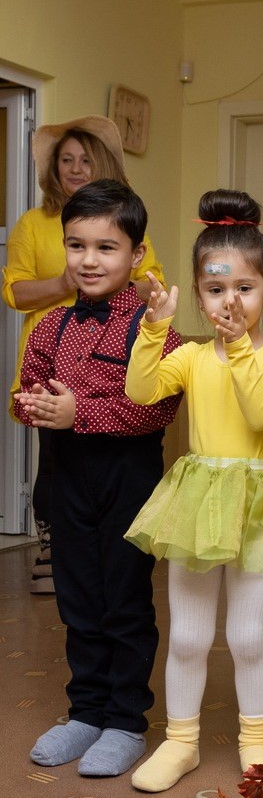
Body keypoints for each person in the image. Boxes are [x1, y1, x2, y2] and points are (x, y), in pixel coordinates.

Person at [124, 191, 263, 791]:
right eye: (216, 288)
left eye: (244, 287)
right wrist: (153, 329)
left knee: (248, 636)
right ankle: (181, 741)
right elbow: (141, 391)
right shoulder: (192, 356)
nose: (230, 301)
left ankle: (256, 740)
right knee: (190, 634)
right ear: (199, 295)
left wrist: (242, 347)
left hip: (258, 503)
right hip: (198, 502)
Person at [14, 179, 180, 776]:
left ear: (137, 255)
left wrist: (78, 411)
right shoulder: (49, 326)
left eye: (106, 247)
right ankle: (85, 712)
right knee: (77, 597)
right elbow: (25, 392)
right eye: (76, 245)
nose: (88, 259)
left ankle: (125, 721)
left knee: (124, 601)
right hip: (65, 477)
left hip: (128, 478)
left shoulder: (155, 327)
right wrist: (33, 405)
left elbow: (157, 407)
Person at [2, 116, 163, 595]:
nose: (75, 168)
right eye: (66, 160)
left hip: (119, 357)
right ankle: (56, 548)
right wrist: (63, 284)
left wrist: (115, 286)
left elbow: (152, 283)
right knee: (54, 462)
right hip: (56, 356)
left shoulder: (128, 226)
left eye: (85, 159)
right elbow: (14, 290)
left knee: (114, 479)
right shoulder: (33, 225)